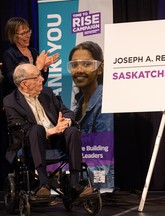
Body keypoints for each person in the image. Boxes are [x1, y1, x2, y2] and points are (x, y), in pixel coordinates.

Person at [3, 63, 93, 198]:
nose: (42, 79)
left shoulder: (47, 92)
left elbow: (67, 112)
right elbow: (22, 130)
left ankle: (75, 184)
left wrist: (66, 122)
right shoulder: (10, 101)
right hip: (31, 143)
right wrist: (51, 131)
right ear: (24, 84)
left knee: (72, 131)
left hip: (57, 140)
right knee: (36, 129)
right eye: (37, 77)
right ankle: (43, 184)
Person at [67, 41, 114, 188]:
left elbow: (103, 159)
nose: (79, 70)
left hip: (98, 186)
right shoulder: (77, 107)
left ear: (100, 69)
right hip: (83, 182)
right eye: (74, 65)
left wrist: (68, 175)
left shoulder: (105, 102)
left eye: (86, 64)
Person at [1, 17, 59, 96]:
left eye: (28, 32)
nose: (27, 36)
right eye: (23, 33)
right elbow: (15, 82)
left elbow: (41, 81)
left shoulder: (34, 52)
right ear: (13, 36)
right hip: (18, 98)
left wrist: (45, 67)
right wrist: (38, 68)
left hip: (34, 95)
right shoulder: (8, 55)